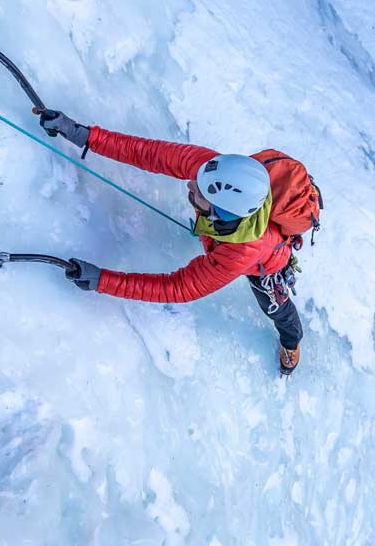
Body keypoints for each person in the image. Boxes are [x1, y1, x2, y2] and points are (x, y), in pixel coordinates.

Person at [38, 109, 303, 375]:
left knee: (276, 308)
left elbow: (176, 287)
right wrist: (84, 135)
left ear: (220, 211)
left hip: (267, 264)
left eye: (199, 192)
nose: (190, 184)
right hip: (227, 233)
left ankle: (292, 342)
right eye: (198, 182)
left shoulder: (238, 254)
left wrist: (102, 280)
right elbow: (149, 153)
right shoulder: (210, 168)